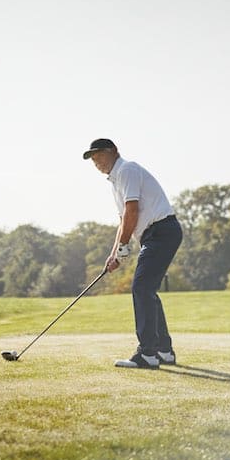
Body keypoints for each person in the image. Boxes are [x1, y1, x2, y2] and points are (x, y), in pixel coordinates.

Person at [83, 138, 183, 369]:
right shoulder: (116, 181)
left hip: (161, 231)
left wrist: (124, 246)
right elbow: (123, 220)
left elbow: (132, 210)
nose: (97, 162)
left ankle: (147, 353)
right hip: (157, 234)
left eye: (100, 156)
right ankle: (164, 351)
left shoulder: (127, 169)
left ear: (114, 151)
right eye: (93, 159)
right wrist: (115, 254)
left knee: (142, 287)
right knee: (147, 289)